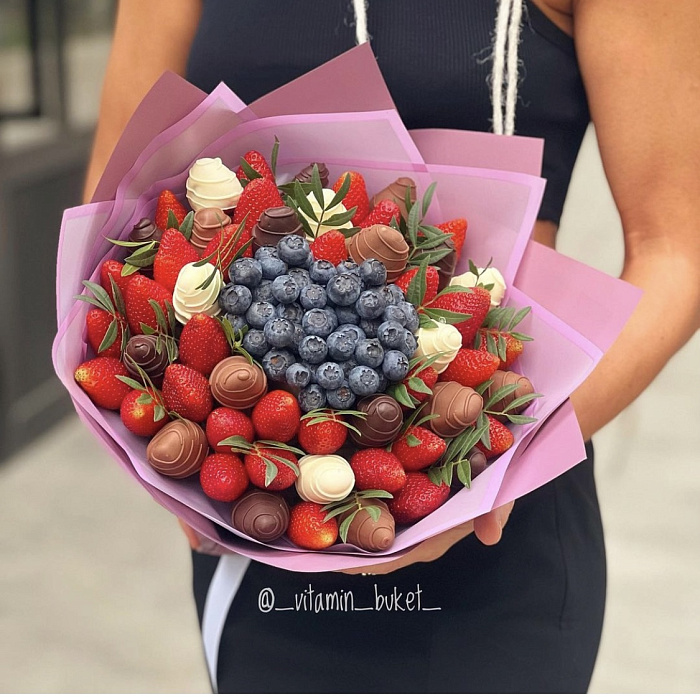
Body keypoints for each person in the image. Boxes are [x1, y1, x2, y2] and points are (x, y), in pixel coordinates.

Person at [84, 0, 700, 692]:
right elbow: (113, 201)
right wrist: (169, 441)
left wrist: (507, 466)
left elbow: (676, 251)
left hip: (496, 504)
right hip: (259, 511)